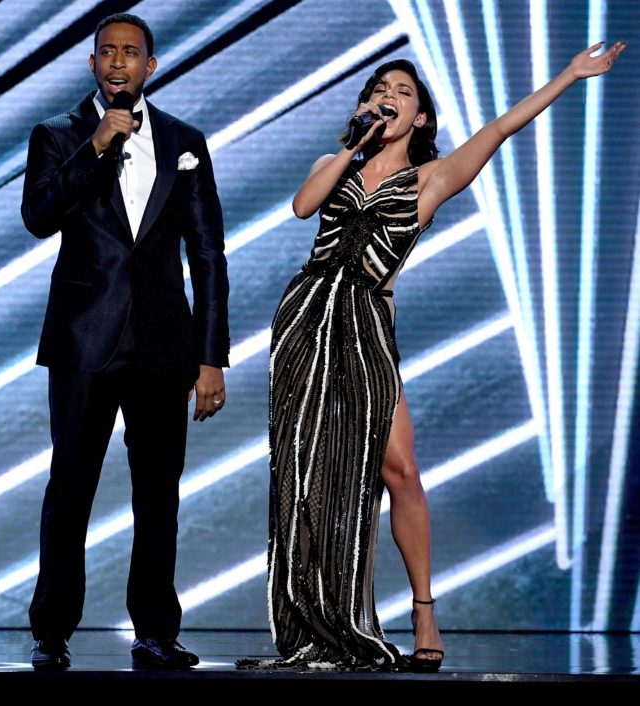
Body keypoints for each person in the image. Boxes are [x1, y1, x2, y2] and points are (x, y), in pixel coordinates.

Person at [237, 41, 626, 672]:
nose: (387, 97)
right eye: (378, 89)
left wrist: (570, 75)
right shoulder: (333, 162)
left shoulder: (431, 179)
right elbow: (304, 207)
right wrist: (350, 148)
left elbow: (500, 127)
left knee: (400, 470)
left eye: (402, 92)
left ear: (421, 117)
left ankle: (423, 608)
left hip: (364, 324)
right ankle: (310, 620)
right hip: (305, 322)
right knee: (304, 475)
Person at [21, 13, 229, 670]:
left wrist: (210, 355)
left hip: (165, 345)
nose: (118, 63)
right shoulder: (57, 136)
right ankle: (51, 632)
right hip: (84, 341)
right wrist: (98, 146)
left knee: (158, 492)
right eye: (107, 52)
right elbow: (39, 215)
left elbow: (208, 253)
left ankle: (156, 631)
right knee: (71, 486)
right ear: (91, 65)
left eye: (130, 53)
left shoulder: (185, 141)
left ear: (151, 66)